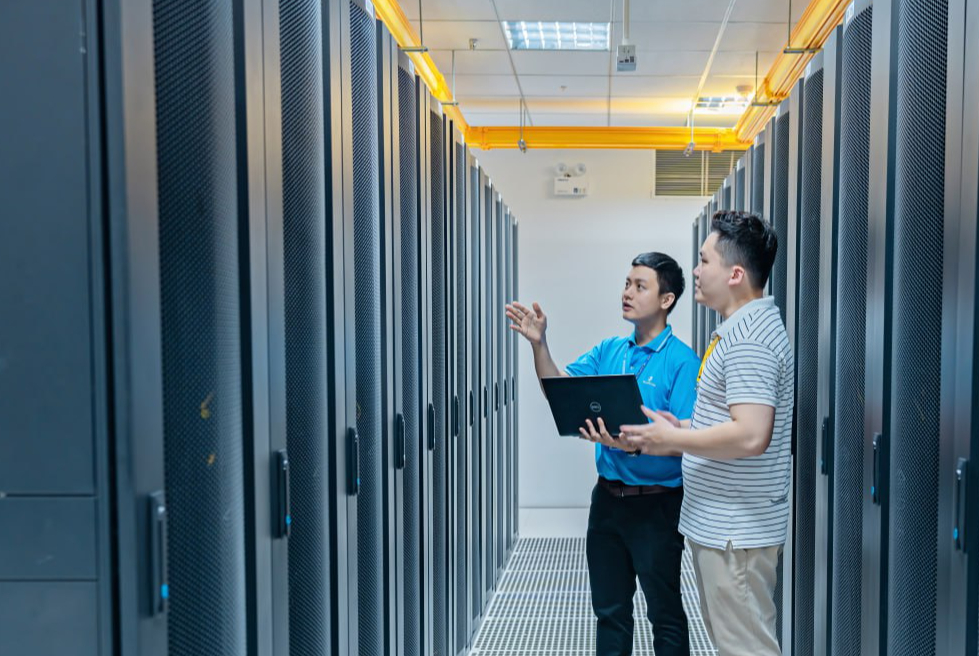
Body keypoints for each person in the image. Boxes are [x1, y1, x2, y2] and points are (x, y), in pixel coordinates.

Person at [506, 252, 699, 656]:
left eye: (639, 286)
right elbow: (561, 390)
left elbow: (687, 436)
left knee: (664, 614)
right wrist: (540, 345)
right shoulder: (611, 349)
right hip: (608, 503)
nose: (627, 292)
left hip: (658, 508)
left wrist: (632, 443)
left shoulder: (682, 361)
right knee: (610, 612)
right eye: (627, 283)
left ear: (666, 300)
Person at [619, 211, 794, 656]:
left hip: (735, 530)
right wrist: (685, 427)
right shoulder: (739, 330)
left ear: (735, 274)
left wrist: (673, 440)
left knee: (745, 648)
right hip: (725, 525)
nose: (695, 270)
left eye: (704, 261)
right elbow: (735, 421)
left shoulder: (749, 338)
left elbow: (752, 434)